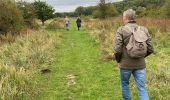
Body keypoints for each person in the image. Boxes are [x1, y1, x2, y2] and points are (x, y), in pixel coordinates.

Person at [114, 9, 154, 100]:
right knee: (142, 88)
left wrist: (119, 60)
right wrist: (141, 56)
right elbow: (151, 48)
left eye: (123, 17)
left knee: (125, 84)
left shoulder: (121, 30)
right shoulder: (144, 29)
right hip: (140, 65)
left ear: (125, 18)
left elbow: (117, 49)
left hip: (125, 65)